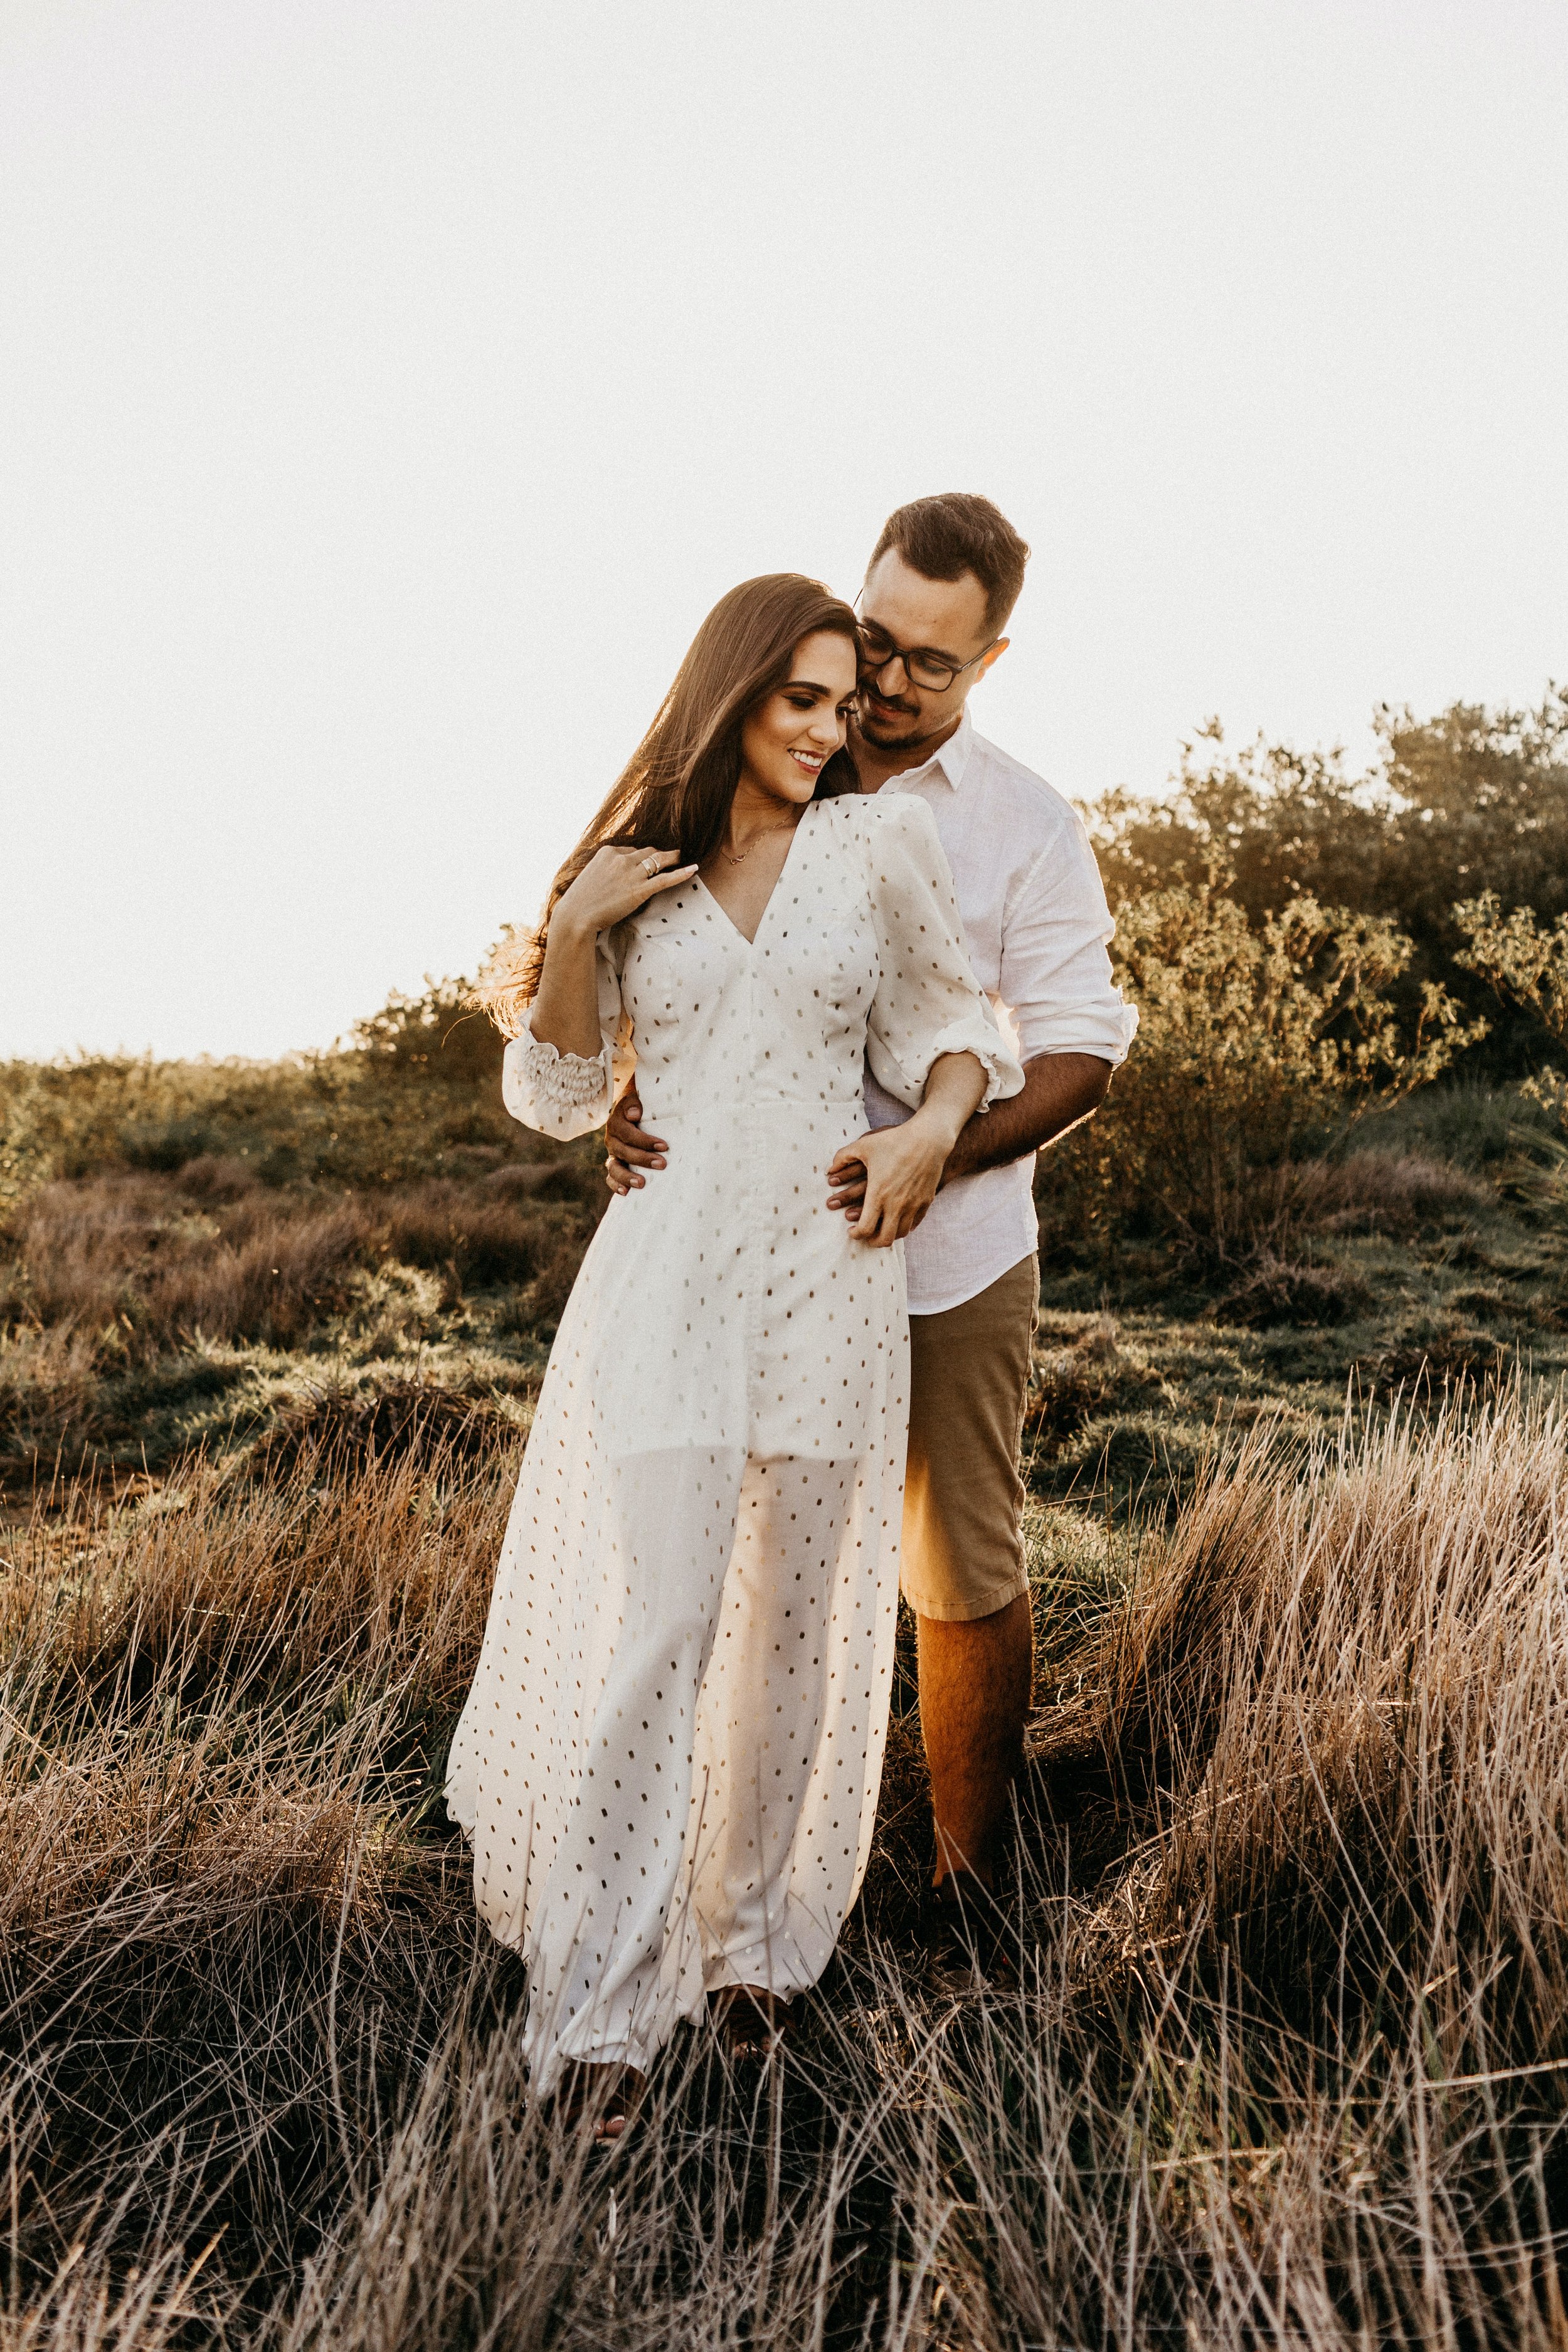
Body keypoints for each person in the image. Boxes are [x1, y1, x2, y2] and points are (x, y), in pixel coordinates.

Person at [445, 573, 1022, 2139]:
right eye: (803, 699)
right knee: (664, 1622)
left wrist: (927, 1128)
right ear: (733, 691)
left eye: (848, 705)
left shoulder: (871, 843)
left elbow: (959, 1027)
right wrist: (573, 928)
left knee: (787, 1635)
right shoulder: (639, 864)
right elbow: (559, 1102)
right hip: (671, 1280)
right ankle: (602, 2018)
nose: (834, 729)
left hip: (830, 1280)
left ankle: (751, 1957)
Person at [608, 497, 1137, 1931]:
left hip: (948, 1264)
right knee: (726, 1570)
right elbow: (649, 959)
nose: (890, 691)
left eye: (932, 668)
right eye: (877, 645)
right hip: (736, 1260)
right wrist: (623, 1091)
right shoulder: (759, 757)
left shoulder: (1025, 827)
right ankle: (708, 1896)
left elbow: (1083, 1043)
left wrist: (935, 1152)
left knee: (954, 1562)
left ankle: (969, 1890)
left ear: (993, 660)